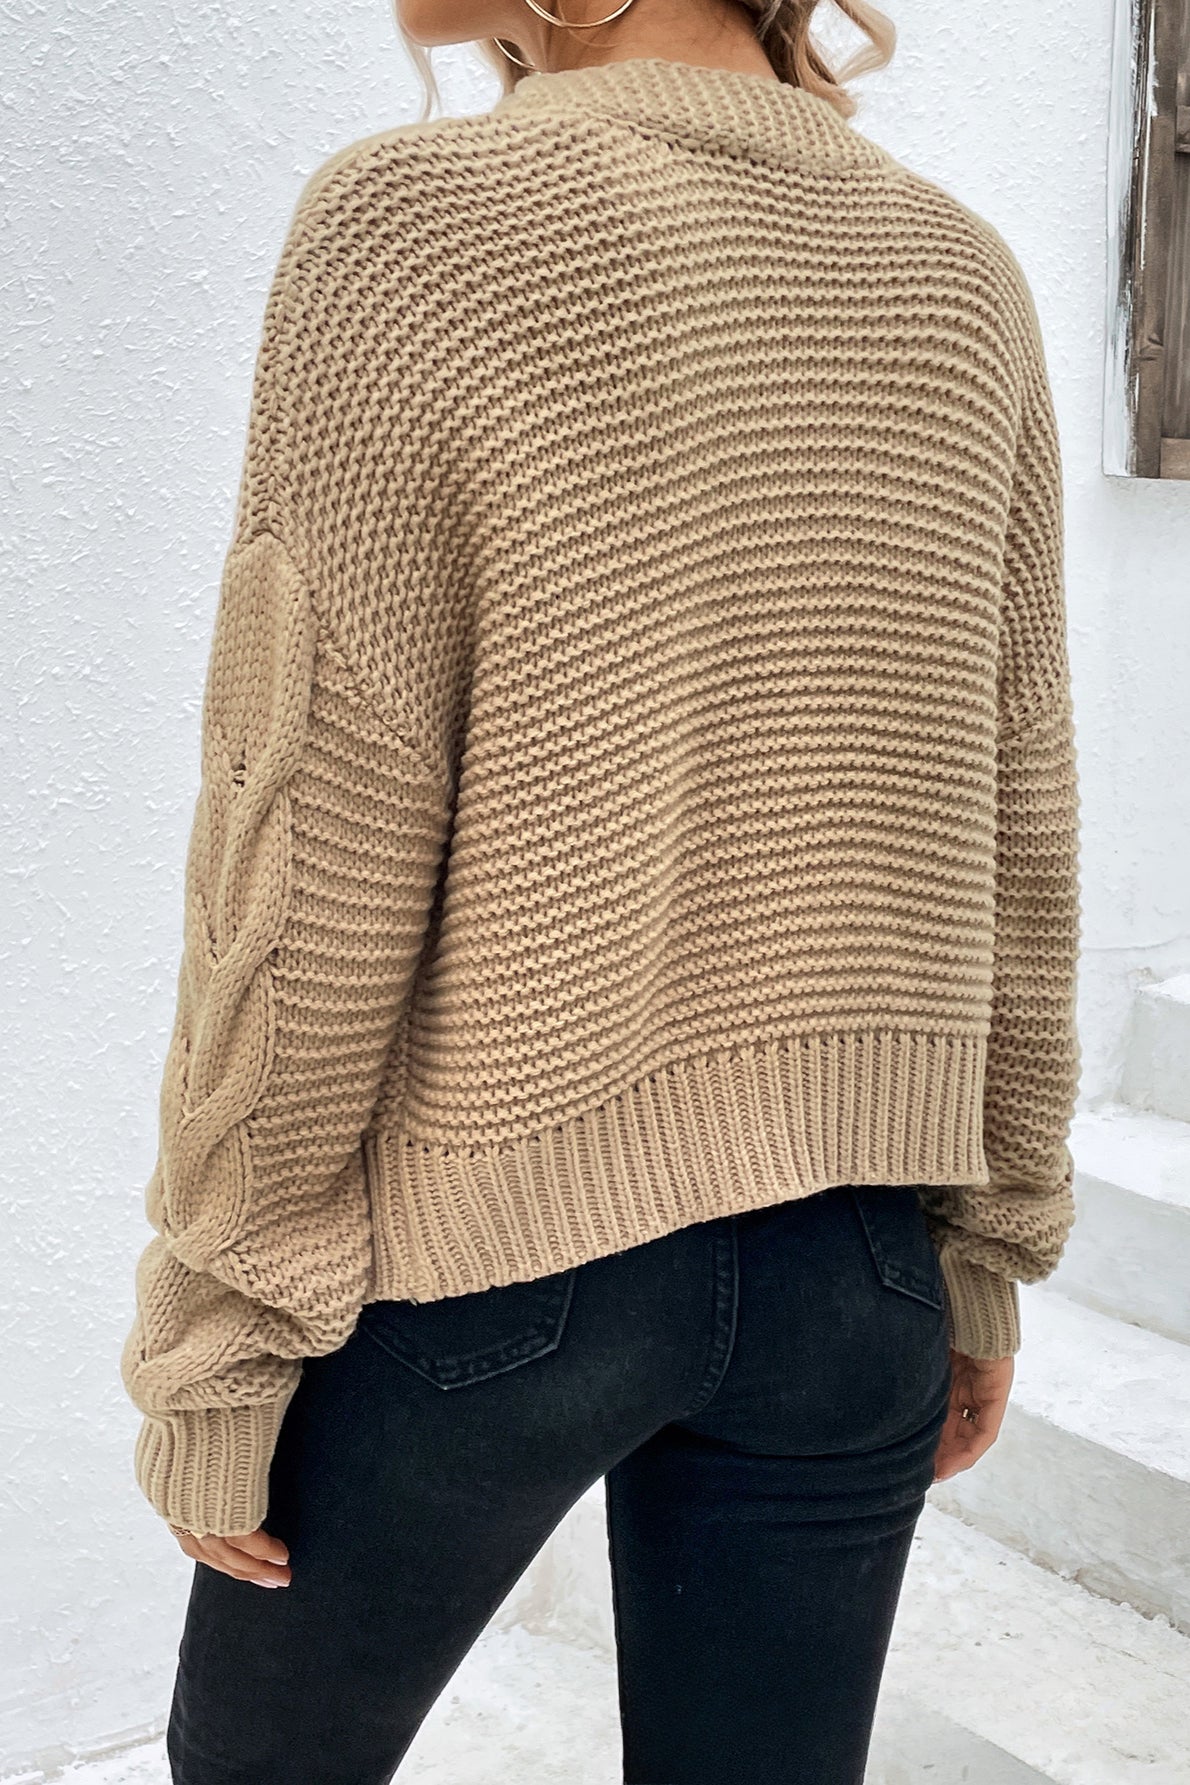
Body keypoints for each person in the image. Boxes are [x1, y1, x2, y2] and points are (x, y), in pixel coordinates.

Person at [119, 0, 1082, 1778]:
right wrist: (983, 1247)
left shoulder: (412, 223)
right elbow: (1018, 812)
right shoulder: (960, 275)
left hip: (495, 1268)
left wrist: (220, 1333)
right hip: (855, 1268)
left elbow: (315, 833)